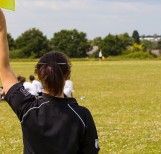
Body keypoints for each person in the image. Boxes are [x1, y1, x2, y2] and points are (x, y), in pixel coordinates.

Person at [0, 9, 100, 154]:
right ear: (67, 76)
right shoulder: (82, 115)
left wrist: (2, 27)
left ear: (39, 76)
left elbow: (4, 68)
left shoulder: (28, 108)